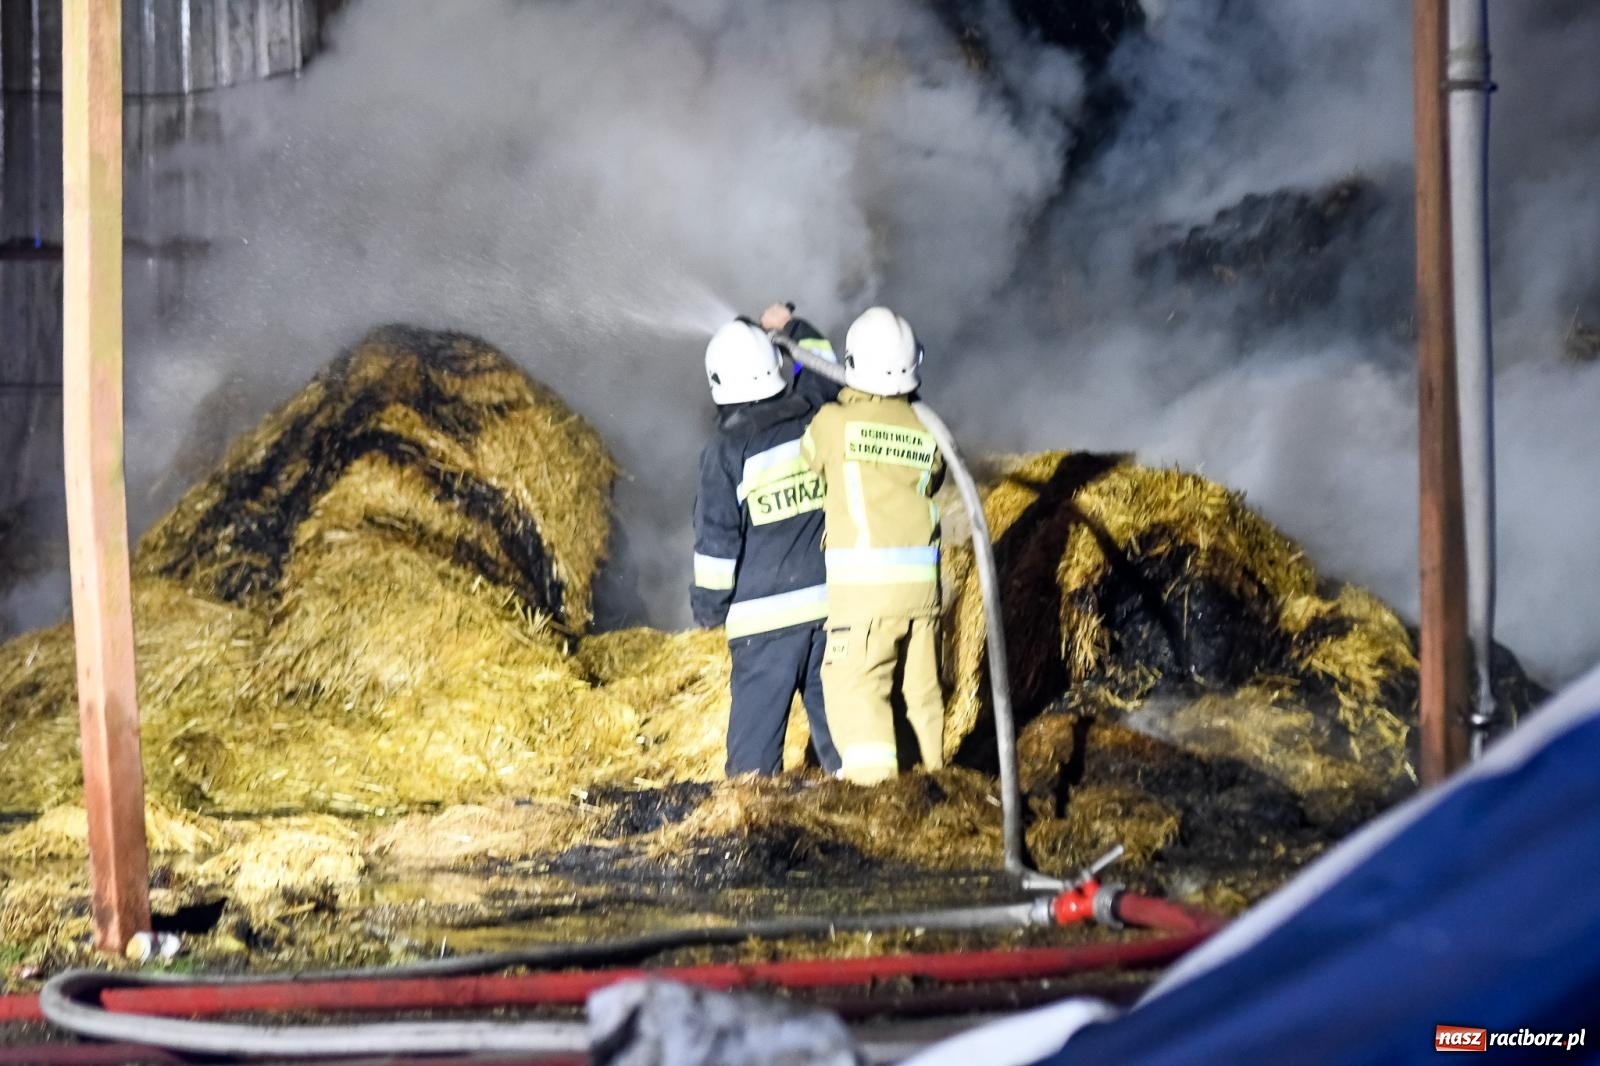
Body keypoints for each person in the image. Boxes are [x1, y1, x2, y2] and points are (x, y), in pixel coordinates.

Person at [800, 307, 946, 785]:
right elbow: (935, 477)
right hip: (922, 595)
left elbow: (809, 458)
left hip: (866, 596)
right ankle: (937, 787)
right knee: (920, 697)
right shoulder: (927, 428)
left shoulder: (834, 423)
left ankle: (879, 798)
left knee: (857, 689)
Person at [691, 317, 841, 777]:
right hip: (832, 613)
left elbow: (717, 545)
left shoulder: (726, 451)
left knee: (751, 776)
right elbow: (824, 368)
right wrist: (793, 324)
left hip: (764, 631)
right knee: (847, 755)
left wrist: (709, 610)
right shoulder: (814, 416)